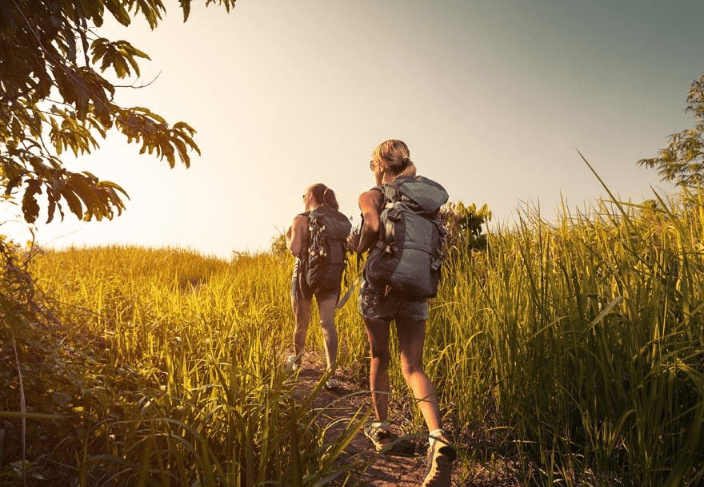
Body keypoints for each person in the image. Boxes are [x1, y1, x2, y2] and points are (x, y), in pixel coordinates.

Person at [347, 139, 456, 487]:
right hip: (415, 288)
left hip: (380, 287)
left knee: (379, 356)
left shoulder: (373, 194)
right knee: (414, 366)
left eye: (371, 163)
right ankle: (437, 436)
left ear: (381, 164)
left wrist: (357, 245)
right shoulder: (424, 198)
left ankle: (383, 431)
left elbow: (373, 227)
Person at [285, 183, 351, 390]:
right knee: (327, 324)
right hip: (330, 274)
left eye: (304, 194)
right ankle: (332, 375)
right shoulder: (335, 220)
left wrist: (288, 238)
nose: (303, 197)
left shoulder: (301, 219)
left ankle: (297, 362)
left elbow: (295, 249)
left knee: (301, 322)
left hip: (304, 273)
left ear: (311, 196)